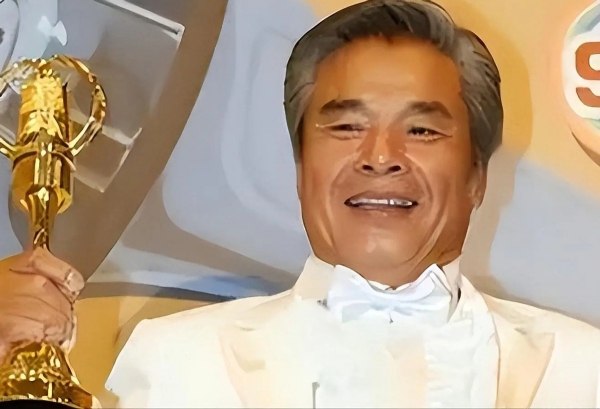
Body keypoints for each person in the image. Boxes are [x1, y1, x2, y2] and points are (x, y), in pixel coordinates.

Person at [1, 0, 600, 407]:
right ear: (301, 168)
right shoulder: (173, 360)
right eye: (345, 127)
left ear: (477, 178)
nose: (380, 156)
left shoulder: (583, 370)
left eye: (421, 130)